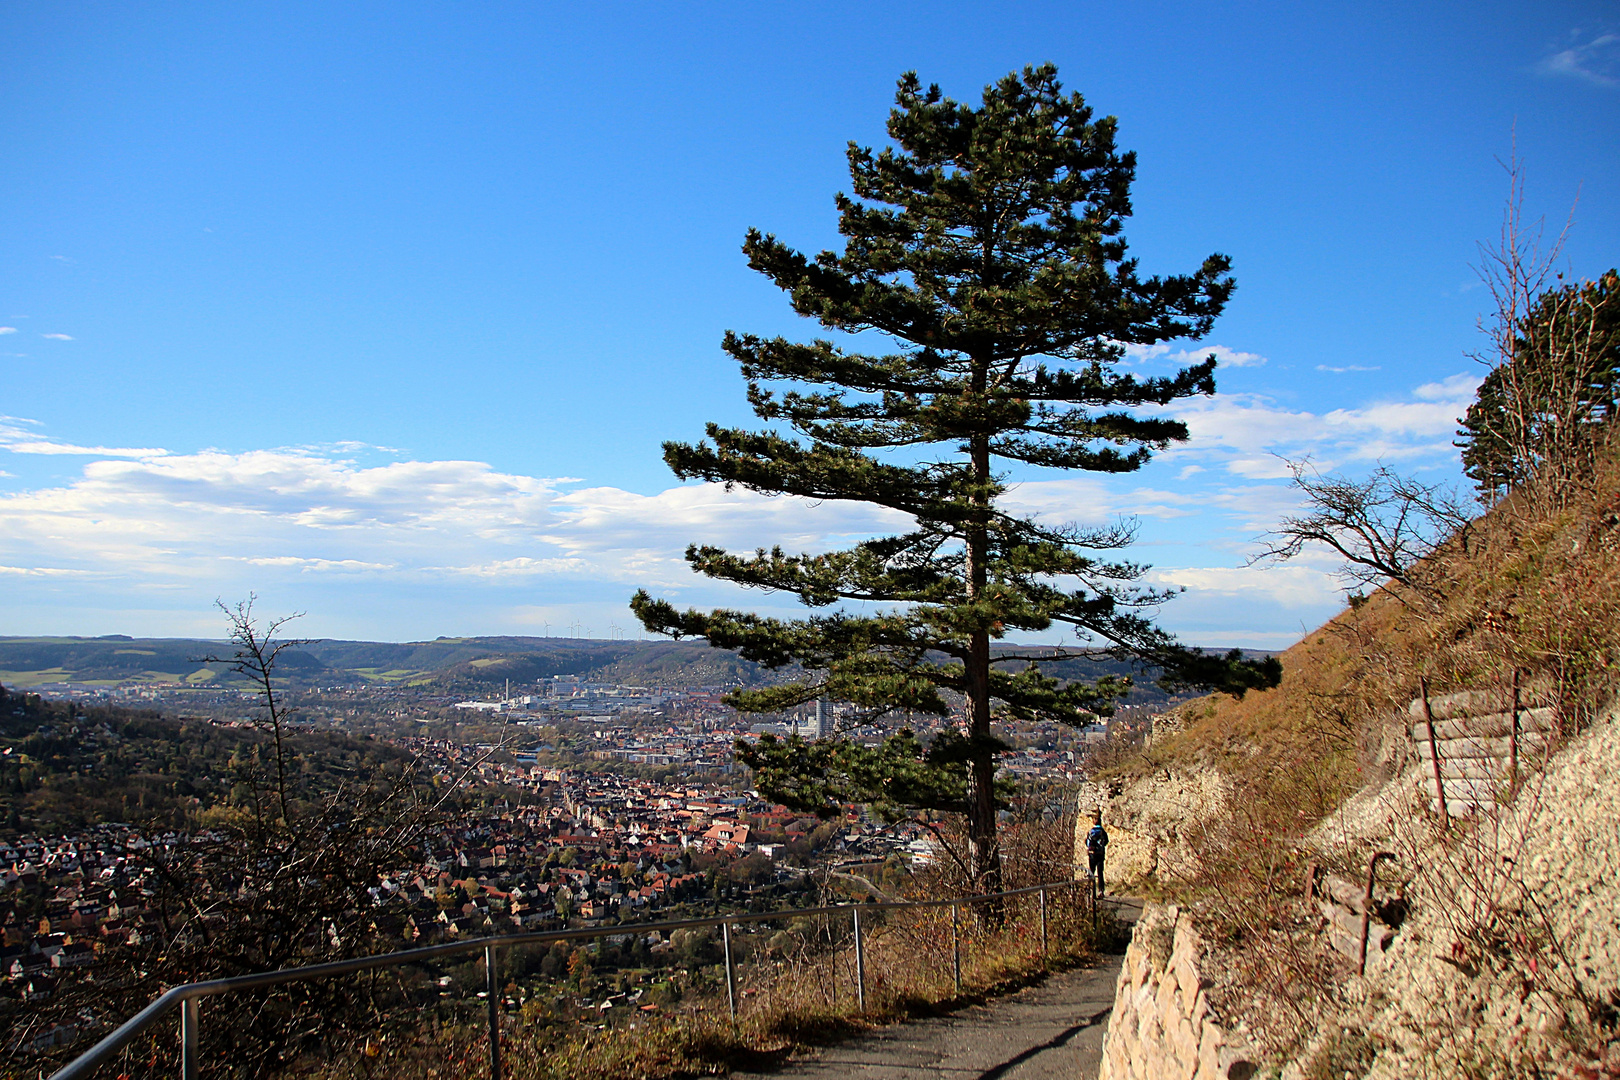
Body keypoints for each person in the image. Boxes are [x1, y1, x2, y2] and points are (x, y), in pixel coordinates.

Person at [1085, 818, 1109, 895]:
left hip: (1092, 854)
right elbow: (1106, 841)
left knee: (1091, 872)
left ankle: (1091, 891)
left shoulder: (1090, 832)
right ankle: (1101, 890)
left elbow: (1087, 842)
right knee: (1100, 873)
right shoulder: (1103, 832)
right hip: (1100, 854)